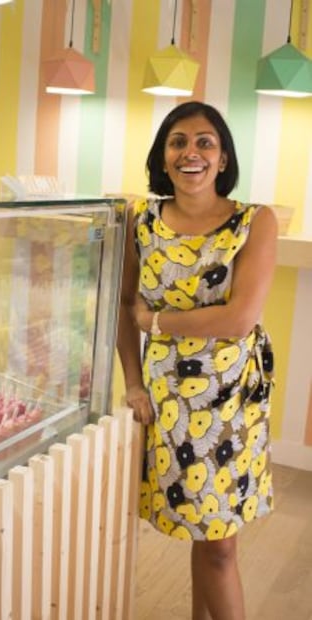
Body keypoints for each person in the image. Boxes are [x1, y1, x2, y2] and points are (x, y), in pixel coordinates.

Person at [117, 101, 277, 620]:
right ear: (163, 158)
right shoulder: (139, 221)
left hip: (232, 399)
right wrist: (134, 384)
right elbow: (124, 306)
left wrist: (158, 323)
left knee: (221, 543)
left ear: (224, 157)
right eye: (177, 142)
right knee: (201, 529)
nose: (191, 152)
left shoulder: (255, 221)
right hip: (169, 400)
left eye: (205, 142)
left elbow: (239, 318)